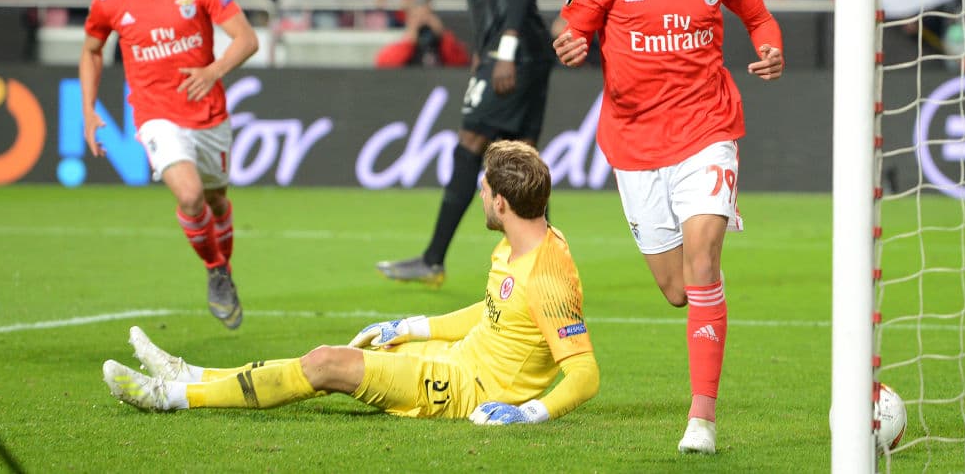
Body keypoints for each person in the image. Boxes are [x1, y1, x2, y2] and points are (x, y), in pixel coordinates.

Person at [552, 0, 785, 455]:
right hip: (633, 140)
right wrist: (570, 43)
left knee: (705, 260)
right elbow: (570, 25)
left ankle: (701, 421)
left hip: (708, 128)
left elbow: (758, 16)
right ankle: (701, 297)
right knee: (679, 289)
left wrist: (768, 47)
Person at [102, 141, 600, 424]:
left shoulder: (548, 274)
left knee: (325, 364)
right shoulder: (522, 243)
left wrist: (530, 413)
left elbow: (584, 374)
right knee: (334, 359)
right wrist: (413, 325)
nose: (480, 197)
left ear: (502, 205)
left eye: (484, 191)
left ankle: (167, 397)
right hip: (453, 361)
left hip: (466, 390)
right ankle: (189, 374)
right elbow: (494, 311)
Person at [376, 0, 556, 286]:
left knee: (474, 138)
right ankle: (547, 266)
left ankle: (434, 258)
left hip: (516, 52)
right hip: (511, 52)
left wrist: (505, 50)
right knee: (525, 157)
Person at [79, 0, 259, 330]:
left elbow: (246, 39)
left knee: (217, 200)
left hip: (209, 113)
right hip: (155, 116)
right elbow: (91, 51)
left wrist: (213, 70)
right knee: (191, 195)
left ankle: (223, 270)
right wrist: (88, 110)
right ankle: (215, 269)